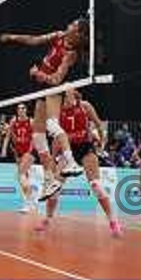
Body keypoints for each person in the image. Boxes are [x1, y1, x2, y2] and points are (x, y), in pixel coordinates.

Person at [0, 19, 88, 200]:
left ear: (77, 33)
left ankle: (71, 163)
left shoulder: (71, 54)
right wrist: (12, 36)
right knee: (38, 136)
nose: (69, 25)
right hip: (41, 88)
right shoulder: (59, 35)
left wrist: (38, 74)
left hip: (54, 90)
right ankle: (50, 180)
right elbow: (34, 40)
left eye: (73, 25)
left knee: (52, 125)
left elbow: (56, 79)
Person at [36, 89, 122, 236]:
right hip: (69, 150)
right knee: (55, 187)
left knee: (96, 186)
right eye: (63, 96)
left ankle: (113, 221)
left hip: (86, 148)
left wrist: (102, 142)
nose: (65, 98)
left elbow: (98, 123)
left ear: (74, 95)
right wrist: (53, 158)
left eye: (68, 94)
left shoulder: (85, 106)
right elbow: (57, 139)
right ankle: (47, 219)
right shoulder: (58, 114)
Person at [2, 103, 36, 213]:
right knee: (23, 177)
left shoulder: (31, 121)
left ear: (26, 110)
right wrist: (4, 149)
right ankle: (31, 201)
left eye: (23, 108)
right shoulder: (13, 121)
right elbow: (8, 136)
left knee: (20, 175)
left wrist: (30, 151)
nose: (20, 110)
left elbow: (35, 138)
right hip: (18, 152)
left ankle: (28, 203)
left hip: (29, 152)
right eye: (19, 108)